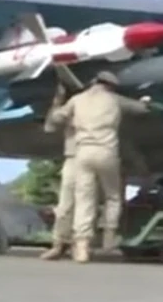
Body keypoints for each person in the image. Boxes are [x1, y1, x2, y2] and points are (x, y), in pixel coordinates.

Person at [46, 71, 154, 263]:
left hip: (82, 153)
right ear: (110, 86)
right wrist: (146, 101)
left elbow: (55, 120)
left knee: (83, 200)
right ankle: (108, 239)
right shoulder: (114, 99)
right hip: (106, 152)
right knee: (113, 196)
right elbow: (141, 109)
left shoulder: (77, 100)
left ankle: (81, 247)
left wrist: (58, 102)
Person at [38, 84, 76, 261]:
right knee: (86, 205)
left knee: (67, 204)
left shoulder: (72, 105)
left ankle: (61, 245)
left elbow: (50, 126)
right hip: (107, 156)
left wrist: (57, 102)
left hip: (76, 157)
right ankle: (78, 246)